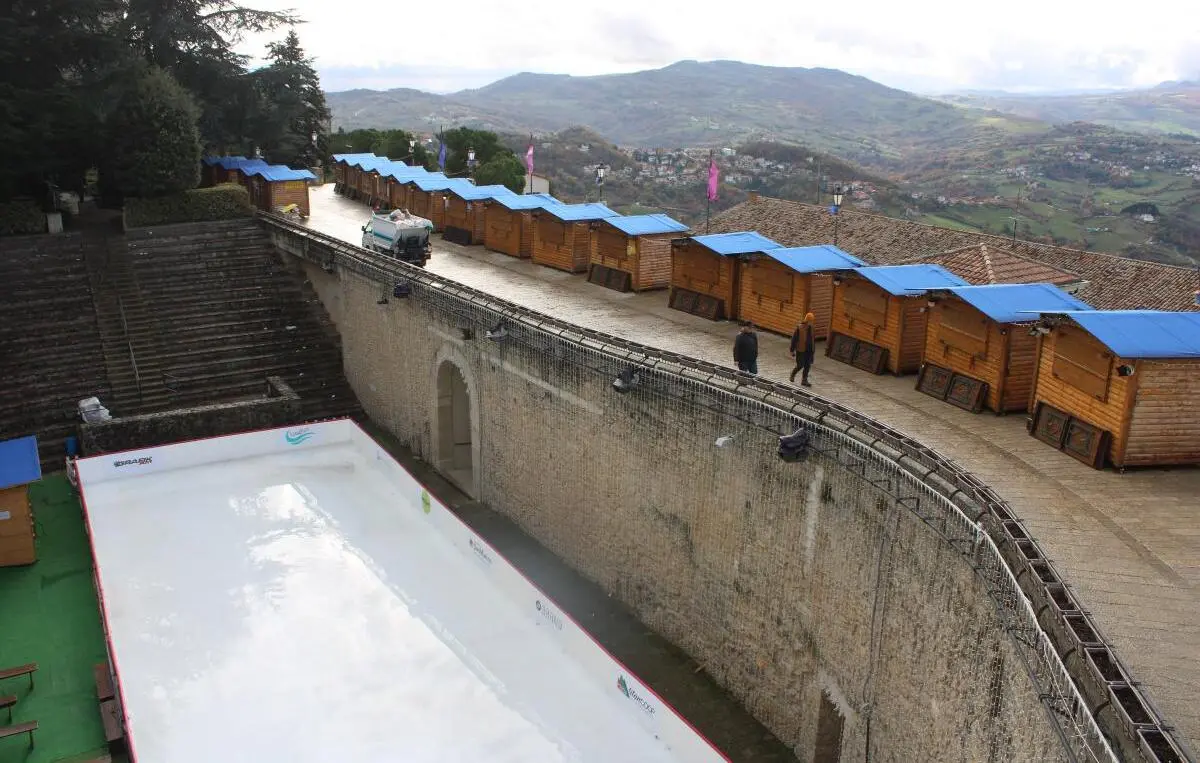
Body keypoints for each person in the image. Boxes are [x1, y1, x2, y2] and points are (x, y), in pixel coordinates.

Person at [790, 312, 816, 386]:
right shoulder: (799, 328)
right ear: (807, 320)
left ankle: (804, 380)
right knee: (800, 365)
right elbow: (794, 339)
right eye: (811, 321)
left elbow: (813, 339)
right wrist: (792, 350)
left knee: (807, 365)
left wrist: (813, 349)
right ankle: (793, 374)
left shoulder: (812, 328)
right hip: (801, 349)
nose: (812, 322)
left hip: (809, 350)